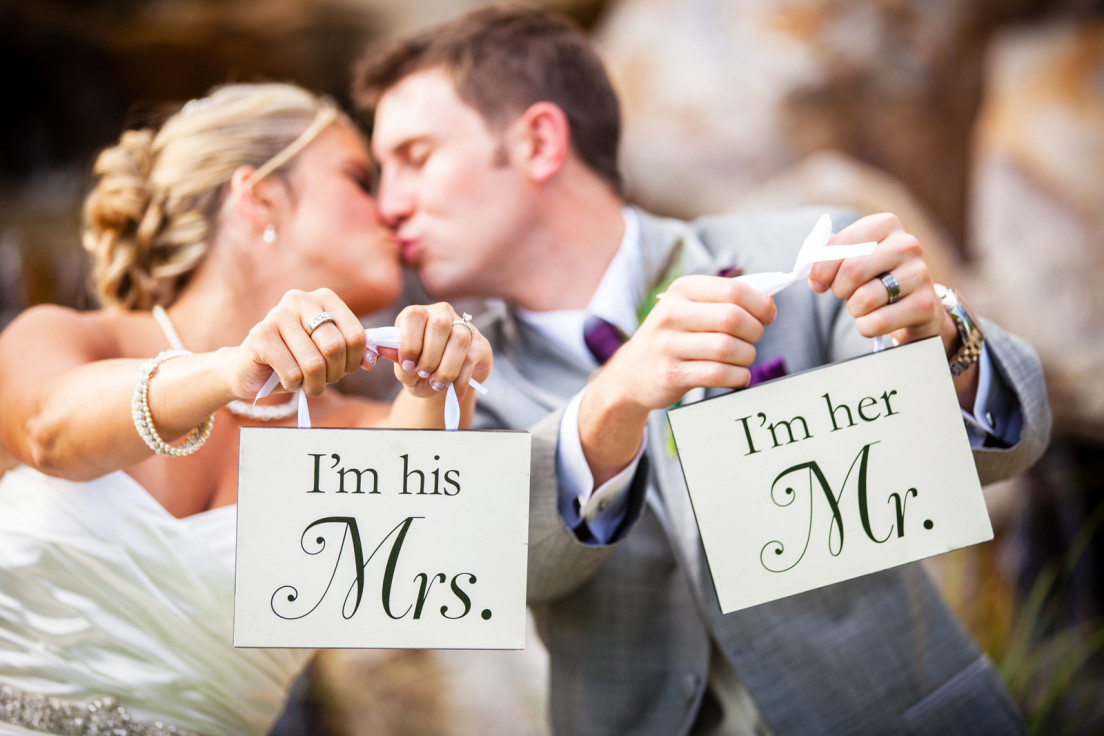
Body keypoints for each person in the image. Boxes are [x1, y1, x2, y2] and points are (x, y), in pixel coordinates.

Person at [352, 6, 1052, 735]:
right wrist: (613, 399)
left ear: (537, 141)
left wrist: (942, 341)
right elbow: (497, 570)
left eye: (415, 157)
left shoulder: (806, 251)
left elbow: (1009, 450)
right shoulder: (447, 390)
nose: (388, 205)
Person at [0, 82, 491, 736]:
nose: (394, 210)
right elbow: (49, 433)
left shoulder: (363, 429)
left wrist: (435, 391)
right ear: (260, 195)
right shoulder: (65, 336)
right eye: (358, 178)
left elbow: (410, 579)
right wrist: (230, 370)